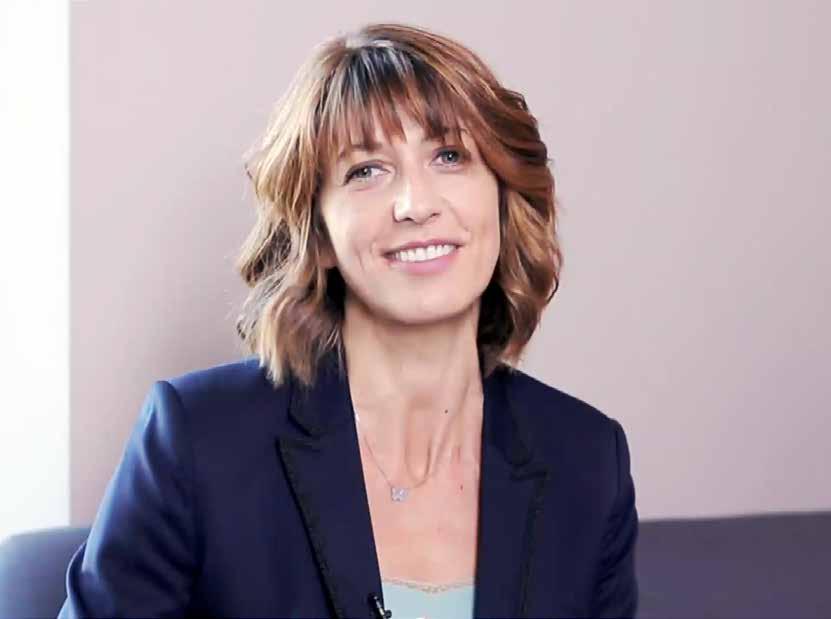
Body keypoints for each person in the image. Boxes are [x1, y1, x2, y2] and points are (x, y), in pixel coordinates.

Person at [58, 22, 638, 619]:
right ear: (318, 233)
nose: (416, 205)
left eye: (449, 156)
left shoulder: (589, 461)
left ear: (502, 196)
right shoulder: (196, 441)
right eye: (366, 171)